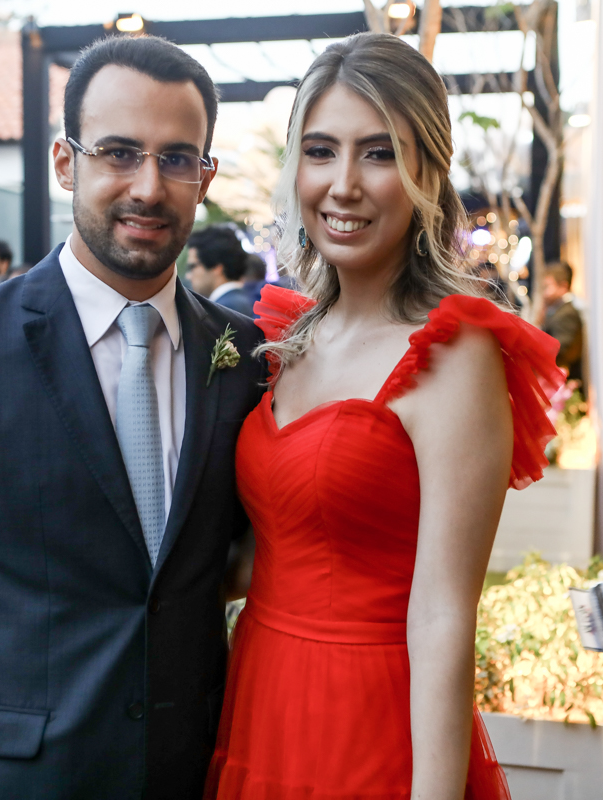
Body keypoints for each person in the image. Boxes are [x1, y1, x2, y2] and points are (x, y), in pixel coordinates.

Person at [0, 35, 264, 800]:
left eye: (177, 159)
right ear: (64, 163)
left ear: (205, 177)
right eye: (119, 152)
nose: (149, 186)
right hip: (13, 780)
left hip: (193, 771)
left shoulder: (243, 356)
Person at [205, 34, 563, 800]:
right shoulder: (288, 340)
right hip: (263, 699)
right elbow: (265, 550)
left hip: (371, 722)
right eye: (320, 151)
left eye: (378, 154)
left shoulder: (454, 352)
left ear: (428, 170)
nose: (343, 185)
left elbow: (443, 614)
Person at [186, 225, 254, 316]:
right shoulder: (240, 301)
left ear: (216, 267)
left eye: (192, 266)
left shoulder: (226, 308)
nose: (188, 276)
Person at [540, 261, 584, 384]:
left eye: (547, 287)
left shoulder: (567, 313)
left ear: (563, 286)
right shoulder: (559, 309)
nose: (544, 293)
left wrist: (536, 352)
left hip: (566, 380)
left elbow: (562, 347)